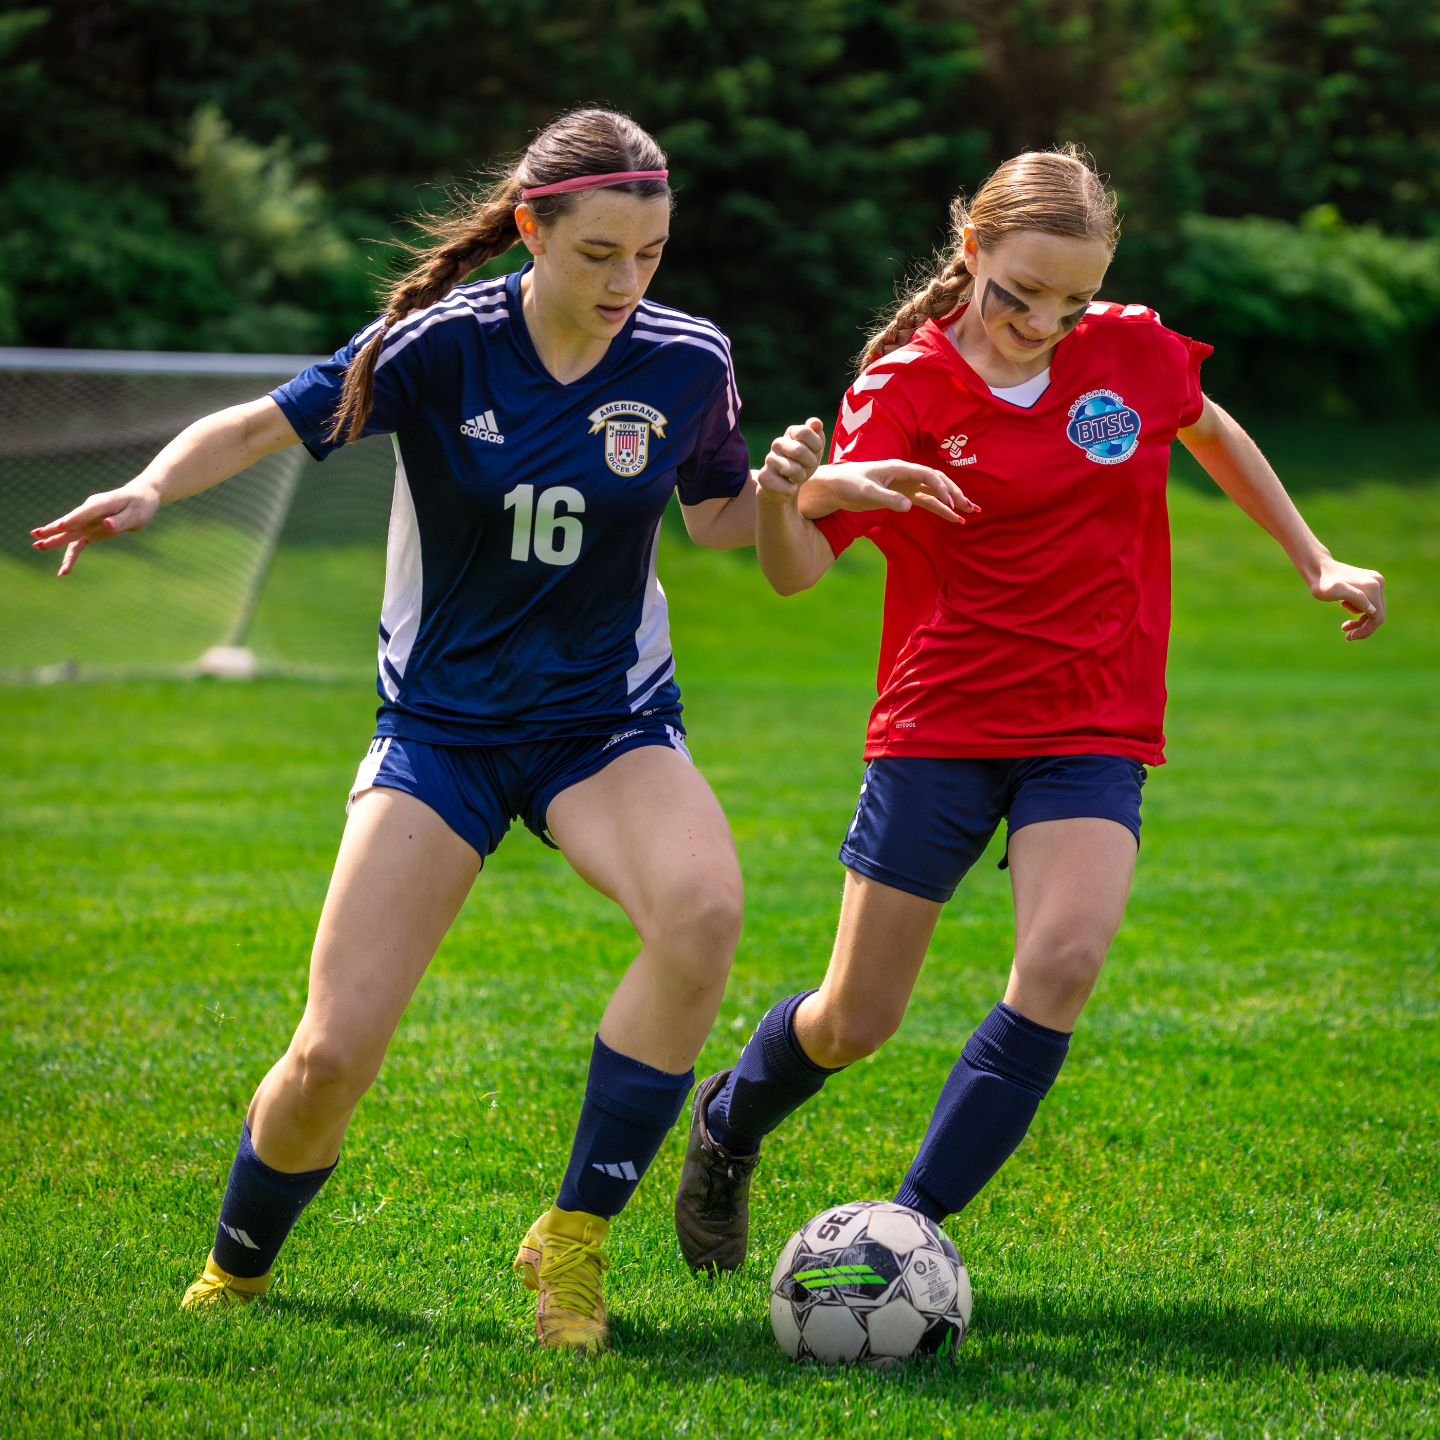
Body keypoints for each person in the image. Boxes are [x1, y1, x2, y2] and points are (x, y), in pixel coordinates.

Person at [28, 106, 938, 1352]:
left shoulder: (685, 359)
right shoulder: (439, 345)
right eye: (600, 253)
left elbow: (723, 520)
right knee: (333, 1054)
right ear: (531, 230)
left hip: (602, 725)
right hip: (440, 733)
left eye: (652, 254)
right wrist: (145, 487)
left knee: (703, 913)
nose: (628, 282)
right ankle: (238, 1268)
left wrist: (810, 488)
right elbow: (259, 423)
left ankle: (572, 1240)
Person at [673, 144, 1387, 1273]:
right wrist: (787, 490)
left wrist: (1315, 557)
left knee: (1062, 963)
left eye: (1072, 299)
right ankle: (728, 1123)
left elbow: (1208, 425)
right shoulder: (902, 387)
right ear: (972, 250)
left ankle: (905, 1239)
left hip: (1092, 723)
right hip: (939, 728)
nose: (1044, 321)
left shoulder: (1129, 348)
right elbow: (796, 571)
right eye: (1020, 293)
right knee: (857, 1020)